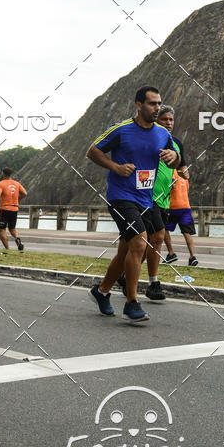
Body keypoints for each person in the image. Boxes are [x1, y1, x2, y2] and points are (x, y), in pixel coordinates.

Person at [86, 86, 180, 323]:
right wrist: (115, 167)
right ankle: (132, 302)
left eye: (159, 103)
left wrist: (174, 158)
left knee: (128, 250)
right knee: (139, 242)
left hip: (146, 199)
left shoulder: (162, 133)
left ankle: (102, 291)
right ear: (139, 105)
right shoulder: (122, 130)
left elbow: (177, 158)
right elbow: (92, 151)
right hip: (121, 196)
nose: (157, 108)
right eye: (152, 104)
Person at [148, 104, 189, 292]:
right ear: (157, 119)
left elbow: (181, 167)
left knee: (147, 242)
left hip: (165, 200)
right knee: (155, 237)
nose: (169, 122)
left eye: (171, 119)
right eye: (165, 119)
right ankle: (153, 283)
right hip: (147, 197)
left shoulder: (177, 143)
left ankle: (124, 275)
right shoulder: (150, 139)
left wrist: (183, 172)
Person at [164, 170, 198, 266]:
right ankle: (192, 256)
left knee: (163, 228)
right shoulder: (184, 174)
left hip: (173, 207)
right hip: (186, 207)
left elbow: (172, 185)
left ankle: (171, 253)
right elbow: (187, 189)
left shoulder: (171, 171)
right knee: (187, 232)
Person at [0, 167, 27, 251]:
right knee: (12, 229)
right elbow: (25, 193)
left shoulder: (1, 184)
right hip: (14, 209)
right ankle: (17, 238)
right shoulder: (17, 183)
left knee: (2, 230)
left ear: (3, 173)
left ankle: (7, 249)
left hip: (5, 209)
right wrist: (17, 199)